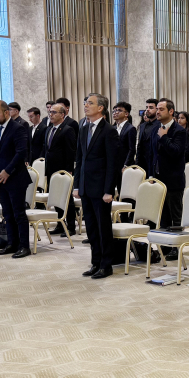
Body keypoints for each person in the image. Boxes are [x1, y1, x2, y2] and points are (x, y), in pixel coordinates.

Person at [73, 93, 121, 279]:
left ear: (100, 108)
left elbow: (113, 164)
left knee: (103, 228)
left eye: (90, 103)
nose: (86, 105)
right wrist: (77, 185)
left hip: (101, 189)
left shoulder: (109, 131)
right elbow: (79, 159)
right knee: (91, 228)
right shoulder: (84, 128)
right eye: (85, 103)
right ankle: (95, 262)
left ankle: (106, 265)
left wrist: (109, 190)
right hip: (86, 186)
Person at [0, 100, 32, 258]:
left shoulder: (17, 128)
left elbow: (21, 153)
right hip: (1, 179)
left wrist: (7, 171)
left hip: (16, 178)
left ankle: (24, 246)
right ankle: (12, 243)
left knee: (18, 213)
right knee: (7, 213)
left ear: (6, 112)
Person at [151, 98, 187, 228]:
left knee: (175, 217)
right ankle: (164, 241)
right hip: (158, 179)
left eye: (161, 109)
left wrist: (164, 137)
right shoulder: (155, 128)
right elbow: (152, 155)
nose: (157, 112)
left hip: (173, 181)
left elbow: (175, 152)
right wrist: (151, 175)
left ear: (171, 111)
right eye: (157, 109)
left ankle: (176, 242)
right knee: (162, 217)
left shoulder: (179, 130)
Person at [44, 101, 78, 236]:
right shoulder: (49, 129)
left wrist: (68, 170)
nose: (50, 114)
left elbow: (71, 151)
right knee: (56, 197)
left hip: (63, 170)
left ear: (62, 114)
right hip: (51, 169)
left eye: (54, 112)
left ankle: (71, 226)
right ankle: (60, 223)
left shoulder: (67, 129)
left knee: (66, 199)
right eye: (50, 112)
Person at [136, 98, 159, 176]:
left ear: (157, 109)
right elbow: (139, 146)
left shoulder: (161, 125)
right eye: (147, 107)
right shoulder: (142, 126)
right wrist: (137, 164)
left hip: (155, 165)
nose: (147, 110)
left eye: (151, 107)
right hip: (143, 164)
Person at [112, 101, 137, 169]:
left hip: (124, 164)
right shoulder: (113, 128)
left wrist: (126, 165)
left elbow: (132, 149)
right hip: (114, 163)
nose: (116, 112)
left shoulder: (130, 128)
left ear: (126, 114)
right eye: (115, 110)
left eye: (119, 110)